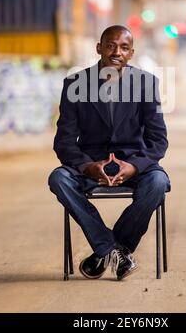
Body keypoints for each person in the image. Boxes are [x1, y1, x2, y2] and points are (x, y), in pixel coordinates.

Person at [48, 25, 170, 281]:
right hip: (91, 164)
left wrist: (134, 166)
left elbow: (158, 140)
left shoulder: (146, 83)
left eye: (124, 47)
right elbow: (64, 141)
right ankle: (113, 250)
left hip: (133, 164)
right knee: (58, 179)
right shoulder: (74, 84)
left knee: (158, 182)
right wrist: (88, 167)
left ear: (131, 52)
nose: (117, 52)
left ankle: (107, 251)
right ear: (99, 48)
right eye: (111, 45)